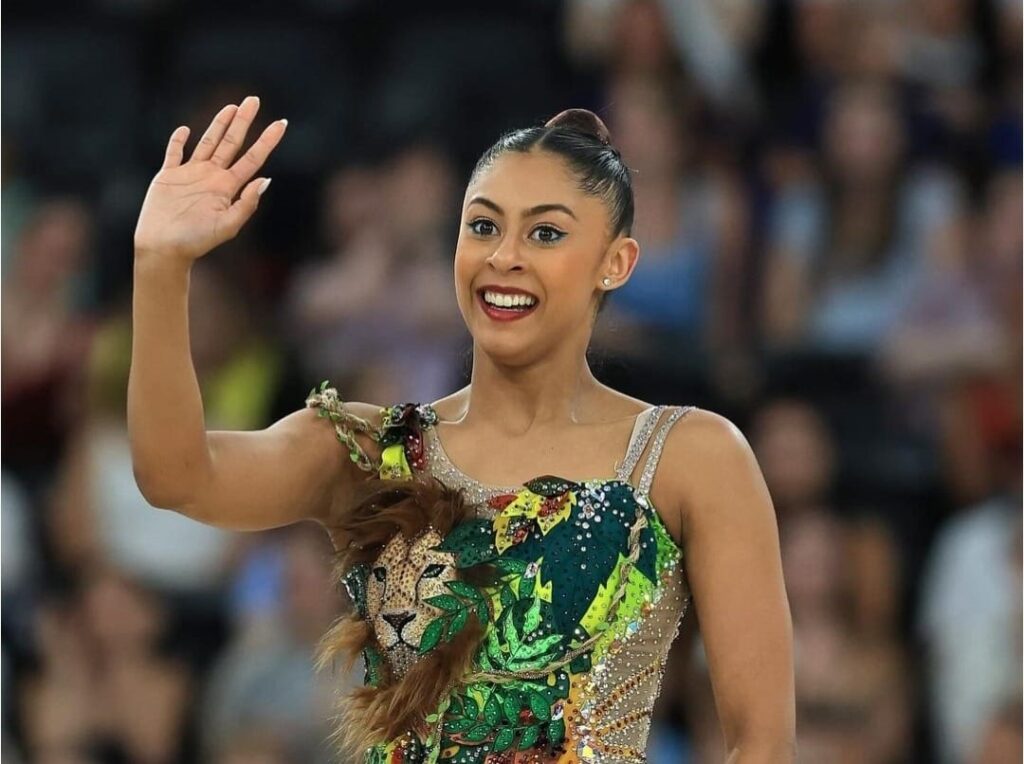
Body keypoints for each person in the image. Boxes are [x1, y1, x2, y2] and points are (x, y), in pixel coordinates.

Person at [129, 95, 795, 762]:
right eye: (482, 227)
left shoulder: (692, 457)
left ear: (614, 262)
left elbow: (760, 742)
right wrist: (162, 266)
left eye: (545, 233)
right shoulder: (373, 452)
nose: (504, 256)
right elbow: (177, 476)